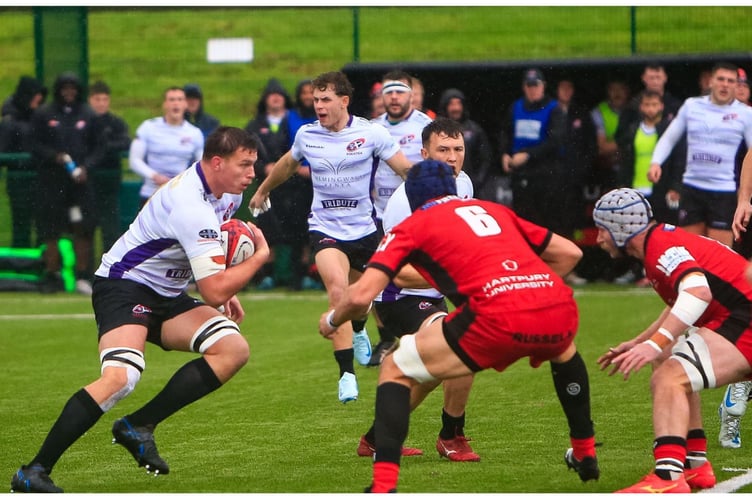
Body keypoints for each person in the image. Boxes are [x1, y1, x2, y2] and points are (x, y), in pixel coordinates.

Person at [10, 127, 269, 494]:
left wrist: (220, 281)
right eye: (245, 165)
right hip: (124, 285)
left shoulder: (225, 193)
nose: (252, 174)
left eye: (253, 165)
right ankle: (33, 471)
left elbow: (168, 226)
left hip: (167, 292)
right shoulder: (190, 204)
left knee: (232, 349)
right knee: (121, 377)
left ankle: (139, 426)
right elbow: (212, 292)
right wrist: (258, 258)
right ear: (216, 162)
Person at [319, 159, 598, 492]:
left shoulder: (413, 224)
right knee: (563, 350)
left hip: (494, 315)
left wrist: (332, 320)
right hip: (556, 305)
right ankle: (585, 454)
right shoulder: (492, 210)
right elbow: (569, 254)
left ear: (413, 194)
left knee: (394, 366)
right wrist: (527, 289)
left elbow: (362, 294)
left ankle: (383, 486)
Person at [249, 71, 413, 404]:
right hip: (325, 229)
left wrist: (438, 186)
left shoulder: (371, 133)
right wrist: (263, 190)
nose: (319, 106)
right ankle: (346, 374)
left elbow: (405, 169)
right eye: (315, 100)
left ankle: (358, 327)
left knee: (363, 298)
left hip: (366, 231)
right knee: (338, 291)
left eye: (325, 100)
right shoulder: (307, 134)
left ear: (344, 101)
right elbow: (287, 164)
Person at [590, 187, 752, 493]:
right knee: (666, 357)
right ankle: (695, 466)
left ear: (621, 229)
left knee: (669, 377)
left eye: (602, 230)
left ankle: (667, 477)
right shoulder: (661, 241)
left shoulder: (660, 248)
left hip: (744, 321)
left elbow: (697, 292)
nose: (598, 239)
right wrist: (645, 341)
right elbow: (683, 301)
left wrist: (652, 345)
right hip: (738, 317)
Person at [357, 118, 480, 462]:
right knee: (460, 346)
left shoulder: (464, 184)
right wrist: (456, 276)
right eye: (443, 150)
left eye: (458, 150)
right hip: (400, 297)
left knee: (430, 370)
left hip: (433, 292)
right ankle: (451, 435)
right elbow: (397, 273)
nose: (452, 157)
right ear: (424, 153)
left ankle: (377, 438)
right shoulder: (403, 202)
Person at [648, 62, 752, 248]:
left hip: (723, 191)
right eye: (720, 79)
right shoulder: (692, 106)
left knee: (720, 254)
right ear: (710, 81)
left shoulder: (745, 114)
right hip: (692, 188)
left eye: (731, 81)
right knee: (691, 250)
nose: (725, 85)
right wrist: (656, 162)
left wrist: (745, 195)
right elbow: (670, 137)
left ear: (737, 86)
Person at [369, 71, 433, 363]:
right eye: (389, 92)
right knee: (374, 280)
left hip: (415, 217)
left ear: (411, 95)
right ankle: (386, 339)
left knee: (414, 277)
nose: (394, 97)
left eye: (400, 92)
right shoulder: (372, 128)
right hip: (378, 216)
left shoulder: (425, 127)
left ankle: (422, 334)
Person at [29, 72, 101, 295]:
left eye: (73, 88)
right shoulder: (44, 114)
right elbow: (33, 144)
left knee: (83, 228)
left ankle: (82, 276)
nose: (69, 93)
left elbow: (99, 146)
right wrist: (54, 157)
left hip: (79, 186)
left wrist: (86, 167)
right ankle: (53, 274)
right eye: (65, 88)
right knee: (50, 229)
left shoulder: (88, 114)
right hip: (52, 183)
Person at [613, 90, 681, 287]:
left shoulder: (668, 130)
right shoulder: (633, 129)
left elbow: (676, 160)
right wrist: (622, 186)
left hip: (660, 189)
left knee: (659, 232)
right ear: (641, 107)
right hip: (637, 189)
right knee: (636, 234)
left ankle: (660, 272)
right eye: (647, 105)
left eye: (654, 105)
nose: (650, 109)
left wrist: (675, 186)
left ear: (661, 106)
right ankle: (638, 270)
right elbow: (626, 161)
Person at [244, 78, 298, 290]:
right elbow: (246, 151)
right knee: (267, 230)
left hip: (294, 187)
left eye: (279, 95)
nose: (275, 99)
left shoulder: (294, 122)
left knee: (295, 231)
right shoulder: (256, 126)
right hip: (266, 186)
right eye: (271, 95)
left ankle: (297, 275)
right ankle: (267, 274)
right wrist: (263, 167)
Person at [499, 68, 565, 229]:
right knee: (522, 221)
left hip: (545, 176)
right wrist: (504, 154)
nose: (532, 89)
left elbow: (555, 141)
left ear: (543, 86)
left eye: (536, 85)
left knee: (546, 222)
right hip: (521, 175)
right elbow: (505, 133)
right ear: (524, 87)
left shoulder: (554, 109)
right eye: (529, 86)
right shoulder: (516, 107)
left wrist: (528, 155)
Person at [129, 86, 204, 207]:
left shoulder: (194, 133)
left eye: (180, 99)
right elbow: (134, 160)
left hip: (180, 194)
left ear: (185, 104)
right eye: (172, 99)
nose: (176, 103)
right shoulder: (148, 127)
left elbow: (202, 164)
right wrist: (154, 176)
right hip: (151, 193)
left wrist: (183, 180)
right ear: (165, 104)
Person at [0, 75, 47, 248]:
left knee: (44, 226)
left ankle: (43, 265)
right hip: (20, 183)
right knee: (21, 225)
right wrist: (25, 162)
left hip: (40, 180)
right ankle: (21, 266)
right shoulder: (10, 122)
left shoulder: (38, 117)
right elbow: (3, 153)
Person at [87, 80, 132, 254]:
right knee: (87, 230)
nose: (101, 103)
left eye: (105, 99)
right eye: (97, 99)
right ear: (91, 100)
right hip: (88, 184)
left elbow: (126, 142)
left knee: (111, 230)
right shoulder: (86, 122)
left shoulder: (116, 122)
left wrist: (105, 147)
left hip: (110, 184)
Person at [437, 87, 494, 202]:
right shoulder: (435, 130)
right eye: (452, 104)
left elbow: (486, 158)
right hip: (441, 186)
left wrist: (477, 181)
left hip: (469, 186)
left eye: (458, 103)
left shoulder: (474, 130)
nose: (456, 108)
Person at [590, 79, 629, 194]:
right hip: (607, 168)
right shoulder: (599, 112)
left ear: (627, 91)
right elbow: (602, 148)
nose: (617, 93)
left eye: (620, 89)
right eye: (613, 89)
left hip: (629, 169)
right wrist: (625, 143)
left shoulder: (635, 110)